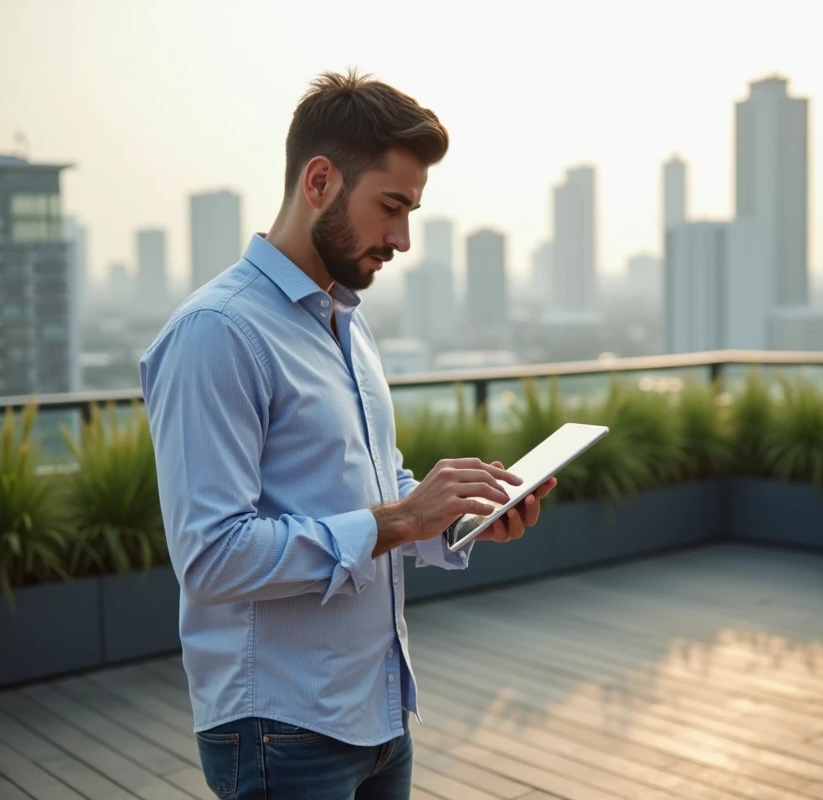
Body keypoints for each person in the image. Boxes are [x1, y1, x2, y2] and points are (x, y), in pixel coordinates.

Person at [138, 68, 556, 800]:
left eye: (412, 212)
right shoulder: (218, 333)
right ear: (321, 180)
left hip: (379, 714)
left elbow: (373, 491)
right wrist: (400, 517)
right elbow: (211, 558)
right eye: (391, 206)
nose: (401, 239)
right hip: (279, 730)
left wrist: (451, 519)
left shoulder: (345, 323)